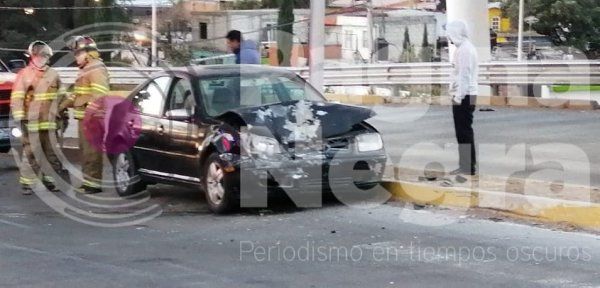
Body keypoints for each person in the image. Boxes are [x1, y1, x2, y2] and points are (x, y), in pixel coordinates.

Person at [11, 41, 66, 195]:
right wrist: (20, 118)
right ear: (32, 56)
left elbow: (63, 95)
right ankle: (28, 184)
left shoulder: (53, 74)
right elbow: (17, 98)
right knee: (32, 153)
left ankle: (51, 181)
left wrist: (61, 111)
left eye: (45, 55)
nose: (42, 58)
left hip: (49, 122)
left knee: (51, 153)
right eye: (39, 55)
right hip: (32, 122)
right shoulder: (24, 74)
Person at [59, 36, 109, 194]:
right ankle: (88, 182)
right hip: (84, 118)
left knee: (91, 152)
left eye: (77, 54)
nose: (75, 57)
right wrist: (61, 106)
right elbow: (77, 95)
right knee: (85, 151)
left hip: (92, 119)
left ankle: (93, 185)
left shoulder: (96, 68)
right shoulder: (85, 69)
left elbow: (99, 94)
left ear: (87, 53)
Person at [446, 20, 478, 176]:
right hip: (468, 94)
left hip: (465, 95)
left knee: (463, 131)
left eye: (450, 34)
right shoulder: (464, 48)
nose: (449, 38)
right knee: (465, 130)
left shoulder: (464, 50)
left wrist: (458, 97)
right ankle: (467, 165)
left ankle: (467, 167)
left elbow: (464, 76)